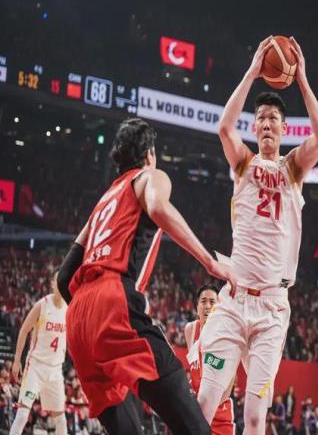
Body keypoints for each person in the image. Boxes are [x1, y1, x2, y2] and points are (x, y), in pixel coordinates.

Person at [56, 117, 235, 434]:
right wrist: (210, 262)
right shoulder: (149, 176)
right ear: (150, 154)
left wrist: (91, 318)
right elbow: (158, 207)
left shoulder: (102, 203)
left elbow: (63, 277)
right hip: (111, 299)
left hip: (79, 321)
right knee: (185, 410)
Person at [197, 35, 318, 435]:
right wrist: (253, 72)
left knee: (255, 417)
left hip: (271, 309)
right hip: (234, 300)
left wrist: (302, 80)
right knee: (203, 404)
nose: (268, 123)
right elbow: (224, 127)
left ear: (284, 128)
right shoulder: (243, 163)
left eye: (274, 119)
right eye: (262, 119)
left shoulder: (293, 168)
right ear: (254, 127)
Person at [9, 271, 68, 435]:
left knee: (61, 420)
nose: (61, 284)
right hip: (36, 366)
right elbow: (24, 330)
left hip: (55, 369)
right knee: (22, 415)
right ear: (52, 284)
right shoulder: (43, 305)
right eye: (58, 281)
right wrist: (17, 360)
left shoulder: (69, 308)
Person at [184, 284, 235, 435]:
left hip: (219, 411)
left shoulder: (227, 336)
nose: (207, 306)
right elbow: (194, 369)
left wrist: (206, 406)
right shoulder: (190, 330)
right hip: (195, 410)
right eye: (203, 301)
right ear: (197, 307)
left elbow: (228, 386)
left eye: (212, 302)